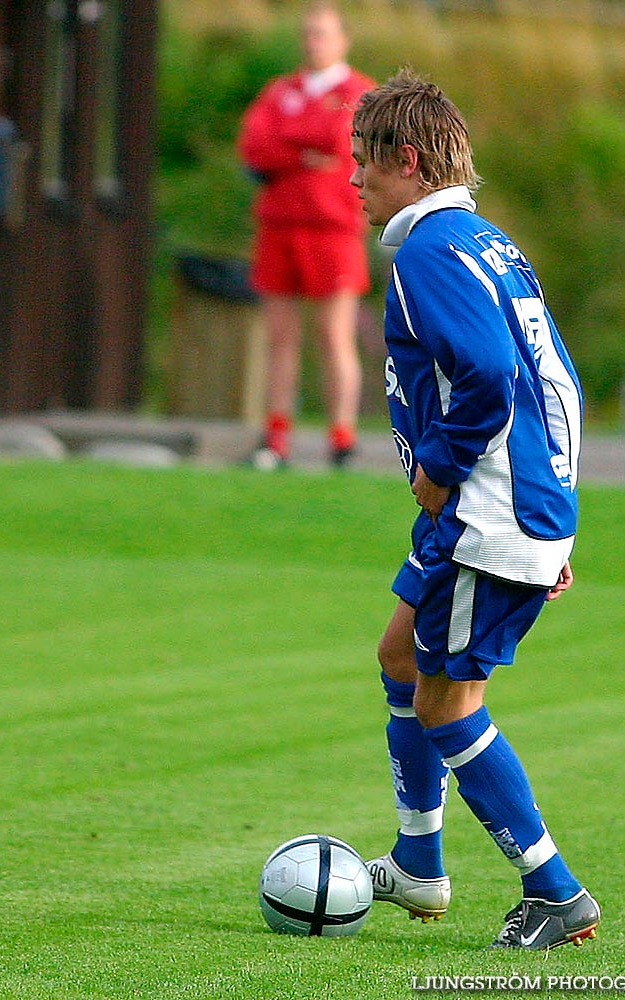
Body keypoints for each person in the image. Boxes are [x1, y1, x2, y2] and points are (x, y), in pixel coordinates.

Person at [349, 70, 599, 950]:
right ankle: (418, 862)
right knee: (398, 656)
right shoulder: (488, 242)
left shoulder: (426, 251)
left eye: (364, 165)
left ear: (407, 162)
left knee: (448, 706)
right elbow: (555, 381)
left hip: (482, 514)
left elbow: (495, 374)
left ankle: (555, 891)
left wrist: (446, 468)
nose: (354, 183)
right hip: (503, 510)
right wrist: (555, 510)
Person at [236, 3, 373, 469]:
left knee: (334, 335)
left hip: (332, 227)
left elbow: (338, 142)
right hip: (279, 223)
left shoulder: (357, 92)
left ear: (342, 40)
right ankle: (275, 437)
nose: (313, 41)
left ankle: (341, 437)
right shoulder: (281, 90)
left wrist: (296, 146)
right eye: (307, 33)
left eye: (322, 33)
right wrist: (303, 152)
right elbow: (255, 147)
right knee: (279, 337)